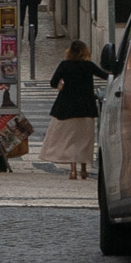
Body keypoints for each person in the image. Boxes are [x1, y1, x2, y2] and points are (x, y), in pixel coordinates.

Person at [43, 38, 102, 181]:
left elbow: (53, 83)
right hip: (86, 107)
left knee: (70, 140)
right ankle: (84, 170)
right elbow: (105, 75)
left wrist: (62, 84)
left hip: (66, 108)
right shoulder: (88, 65)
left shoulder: (64, 65)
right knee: (85, 139)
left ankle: (73, 171)